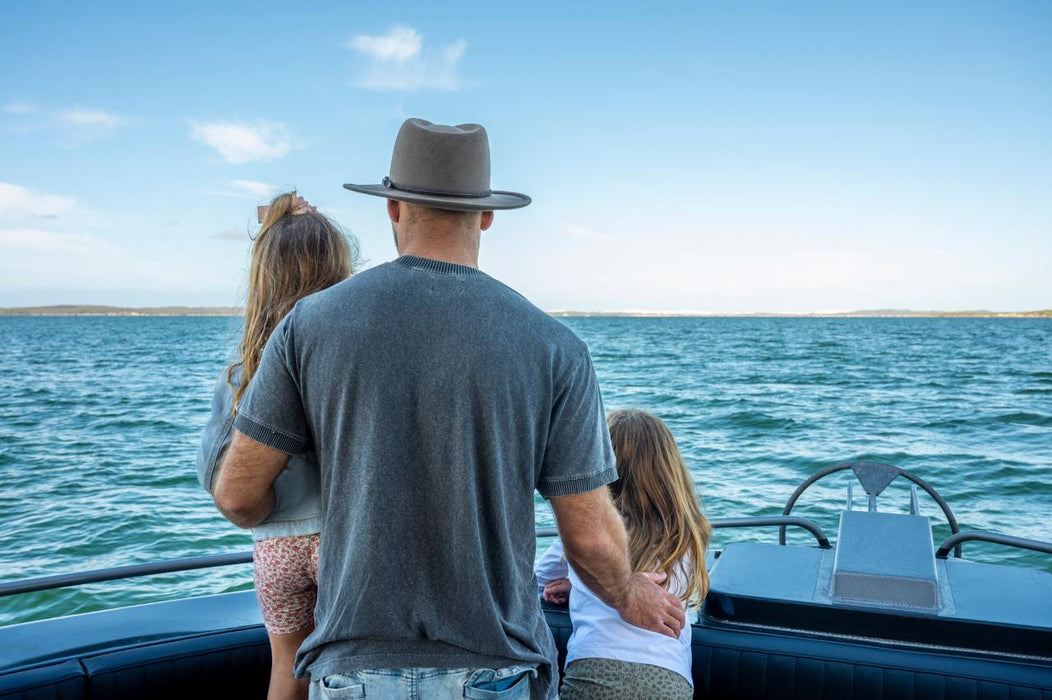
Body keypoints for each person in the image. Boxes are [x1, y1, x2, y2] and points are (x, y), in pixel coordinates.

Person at [211, 118, 686, 700]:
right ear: (486, 215)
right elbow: (587, 540)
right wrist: (629, 594)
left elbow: (237, 497)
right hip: (495, 668)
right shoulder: (555, 347)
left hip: (354, 670)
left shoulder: (306, 327)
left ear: (393, 209)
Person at [197, 192, 355, 700]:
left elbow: (218, 480)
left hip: (277, 545)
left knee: (287, 667)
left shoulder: (241, 377)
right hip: (345, 542)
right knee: (355, 665)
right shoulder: (353, 370)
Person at [535, 409, 710, 699]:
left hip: (592, 672)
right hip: (667, 679)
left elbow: (537, 584)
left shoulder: (583, 539)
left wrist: (581, 582)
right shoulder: (687, 539)